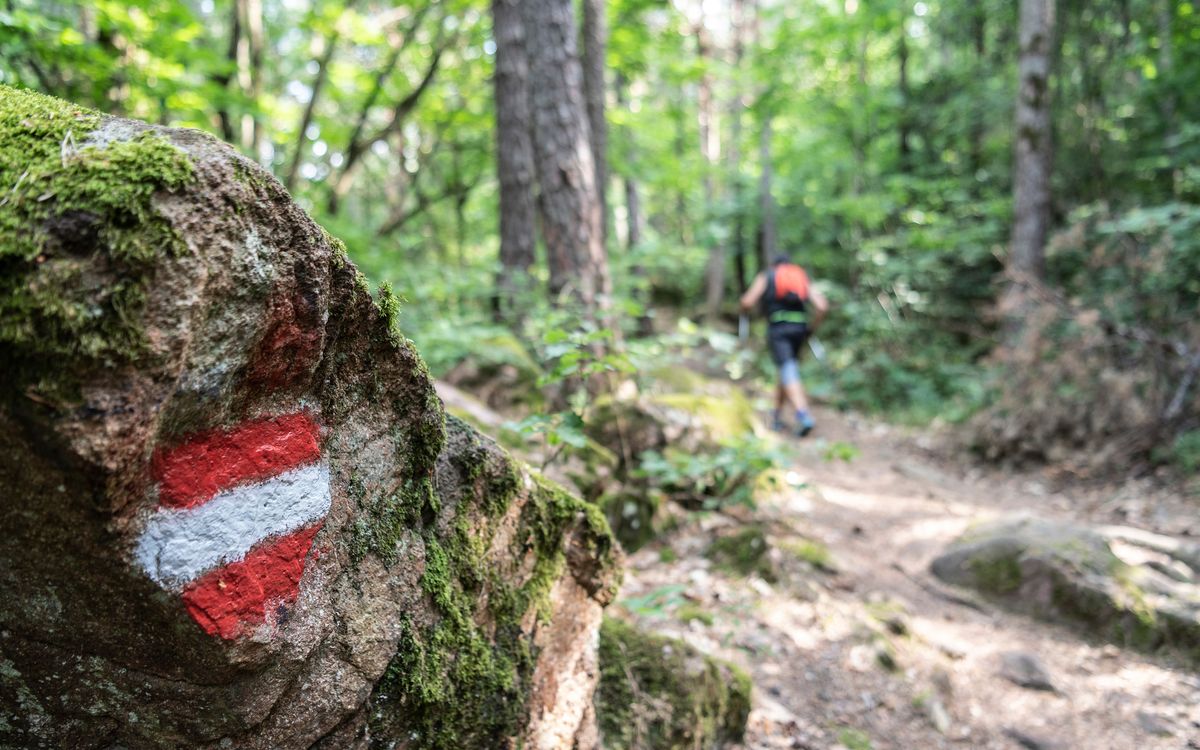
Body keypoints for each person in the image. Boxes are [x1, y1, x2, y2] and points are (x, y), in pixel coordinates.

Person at [739, 254, 829, 436]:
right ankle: (777, 416)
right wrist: (811, 329)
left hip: (779, 328)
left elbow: (747, 301)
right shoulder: (800, 276)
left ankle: (803, 414)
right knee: (784, 370)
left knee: (788, 368)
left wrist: (744, 311)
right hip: (800, 327)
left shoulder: (768, 275)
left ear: (774, 264)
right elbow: (822, 306)